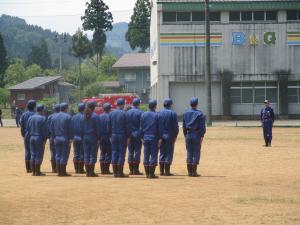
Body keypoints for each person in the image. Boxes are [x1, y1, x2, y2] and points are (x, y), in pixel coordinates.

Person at [183, 97, 206, 177]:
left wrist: (185, 135)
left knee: (189, 152)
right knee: (196, 152)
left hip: (188, 134)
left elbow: (183, 126)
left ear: (190, 104)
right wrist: (202, 136)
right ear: (197, 104)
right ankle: (194, 172)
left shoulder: (185, 113)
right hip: (196, 134)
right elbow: (202, 127)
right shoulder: (200, 114)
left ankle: (189, 172)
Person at [109, 98, 130, 178]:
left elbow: (109, 126)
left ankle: (115, 173)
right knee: (121, 153)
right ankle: (120, 173)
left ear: (116, 104)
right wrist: (128, 137)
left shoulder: (111, 113)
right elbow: (127, 127)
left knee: (114, 152)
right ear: (123, 104)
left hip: (113, 135)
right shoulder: (125, 114)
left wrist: (110, 135)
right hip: (122, 136)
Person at [158, 98, 179, 176]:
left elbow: (157, 125)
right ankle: (167, 171)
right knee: (169, 153)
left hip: (161, 136)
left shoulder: (159, 113)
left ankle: (161, 171)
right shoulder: (172, 113)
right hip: (169, 136)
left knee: (162, 152)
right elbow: (175, 127)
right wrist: (175, 136)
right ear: (170, 105)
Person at [140, 100, 161, 179]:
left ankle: (147, 173)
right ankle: (151, 174)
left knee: (146, 155)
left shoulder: (143, 115)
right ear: (155, 106)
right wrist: (160, 138)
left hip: (145, 137)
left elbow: (141, 127)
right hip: (154, 137)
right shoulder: (157, 115)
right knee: (153, 155)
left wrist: (141, 137)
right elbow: (159, 128)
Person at [51, 103, 72, 176]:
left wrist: (53, 137)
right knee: (64, 155)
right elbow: (70, 129)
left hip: (56, 138)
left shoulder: (54, 117)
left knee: (57, 154)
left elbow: (52, 129)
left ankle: (59, 171)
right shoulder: (68, 117)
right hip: (65, 138)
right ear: (66, 108)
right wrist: (70, 139)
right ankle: (63, 172)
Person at [27, 104, 48, 176]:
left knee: (33, 154)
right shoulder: (43, 118)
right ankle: (38, 172)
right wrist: (45, 139)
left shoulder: (30, 118)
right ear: (42, 110)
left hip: (31, 137)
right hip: (39, 138)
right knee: (39, 154)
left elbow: (28, 129)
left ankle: (33, 172)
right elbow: (45, 130)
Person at [126, 98, 143, 175]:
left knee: (130, 152)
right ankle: (136, 170)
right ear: (138, 104)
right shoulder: (141, 112)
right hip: (137, 135)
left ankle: (131, 170)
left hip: (129, 134)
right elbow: (142, 125)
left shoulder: (127, 113)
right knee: (137, 152)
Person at [82, 101, 99, 177]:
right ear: (94, 107)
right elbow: (98, 128)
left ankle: (87, 172)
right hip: (93, 137)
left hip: (85, 137)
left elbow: (80, 128)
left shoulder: (83, 116)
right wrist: (99, 138)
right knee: (92, 154)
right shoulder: (95, 116)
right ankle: (91, 172)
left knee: (86, 154)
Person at [20, 100, 36, 173]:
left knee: (27, 151)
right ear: (34, 106)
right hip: (34, 134)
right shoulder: (36, 114)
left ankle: (28, 168)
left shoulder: (24, 114)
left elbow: (22, 126)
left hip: (26, 134)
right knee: (34, 151)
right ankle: (34, 168)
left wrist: (23, 135)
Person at [97, 103, 112, 175]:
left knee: (102, 152)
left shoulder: (99, 116)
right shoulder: (110, 116)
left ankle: (102, 170)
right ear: (109, 109)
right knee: (108, 153)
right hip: (108, 137)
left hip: (101, 137)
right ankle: (106, 170)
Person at [71, 103, 85, 174]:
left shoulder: (73, 117)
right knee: (82, 154)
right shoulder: (84, 117)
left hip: (75, 137)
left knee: (76, 154)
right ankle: (81, 169)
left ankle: (76, 169)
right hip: (82, 137)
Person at [47, 104, 60, 173]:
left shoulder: (50, 117)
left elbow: (48, 128)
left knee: (53, 153)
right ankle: (58, 168)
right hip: (60, 136)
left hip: (52, 137)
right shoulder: (61, 116)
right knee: (59, 153)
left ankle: (53, 169)